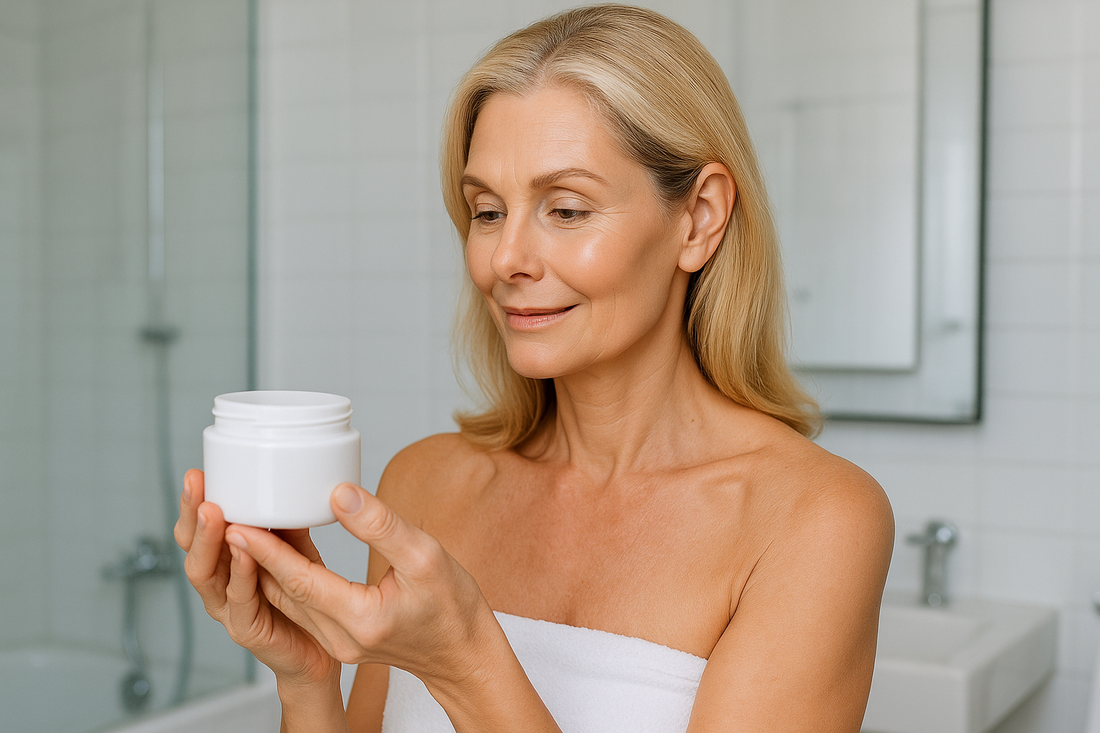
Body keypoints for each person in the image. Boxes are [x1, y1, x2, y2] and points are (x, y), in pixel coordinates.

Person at [175, 5, 894, 732]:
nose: (505, 260)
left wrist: (466, 661)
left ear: (699, 218)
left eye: (567, 209)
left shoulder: (814, 521)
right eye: (487, 211)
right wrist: (306, 677)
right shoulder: (424, 485)